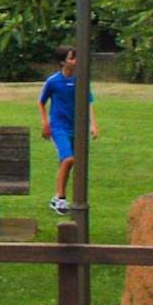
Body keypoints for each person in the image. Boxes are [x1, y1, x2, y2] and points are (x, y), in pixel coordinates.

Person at [40, 46, 99, 214]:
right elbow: (41, 102)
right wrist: (45, 123)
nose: (76, 61)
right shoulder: (53, 81)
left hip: (76, 127)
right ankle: (60, 198)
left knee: (67, 163)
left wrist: (93, 125)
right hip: (58, 127)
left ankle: (56, 198)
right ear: (62, 62)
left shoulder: (81, 80)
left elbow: (88, 102)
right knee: (68, 160)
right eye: (72, 58)